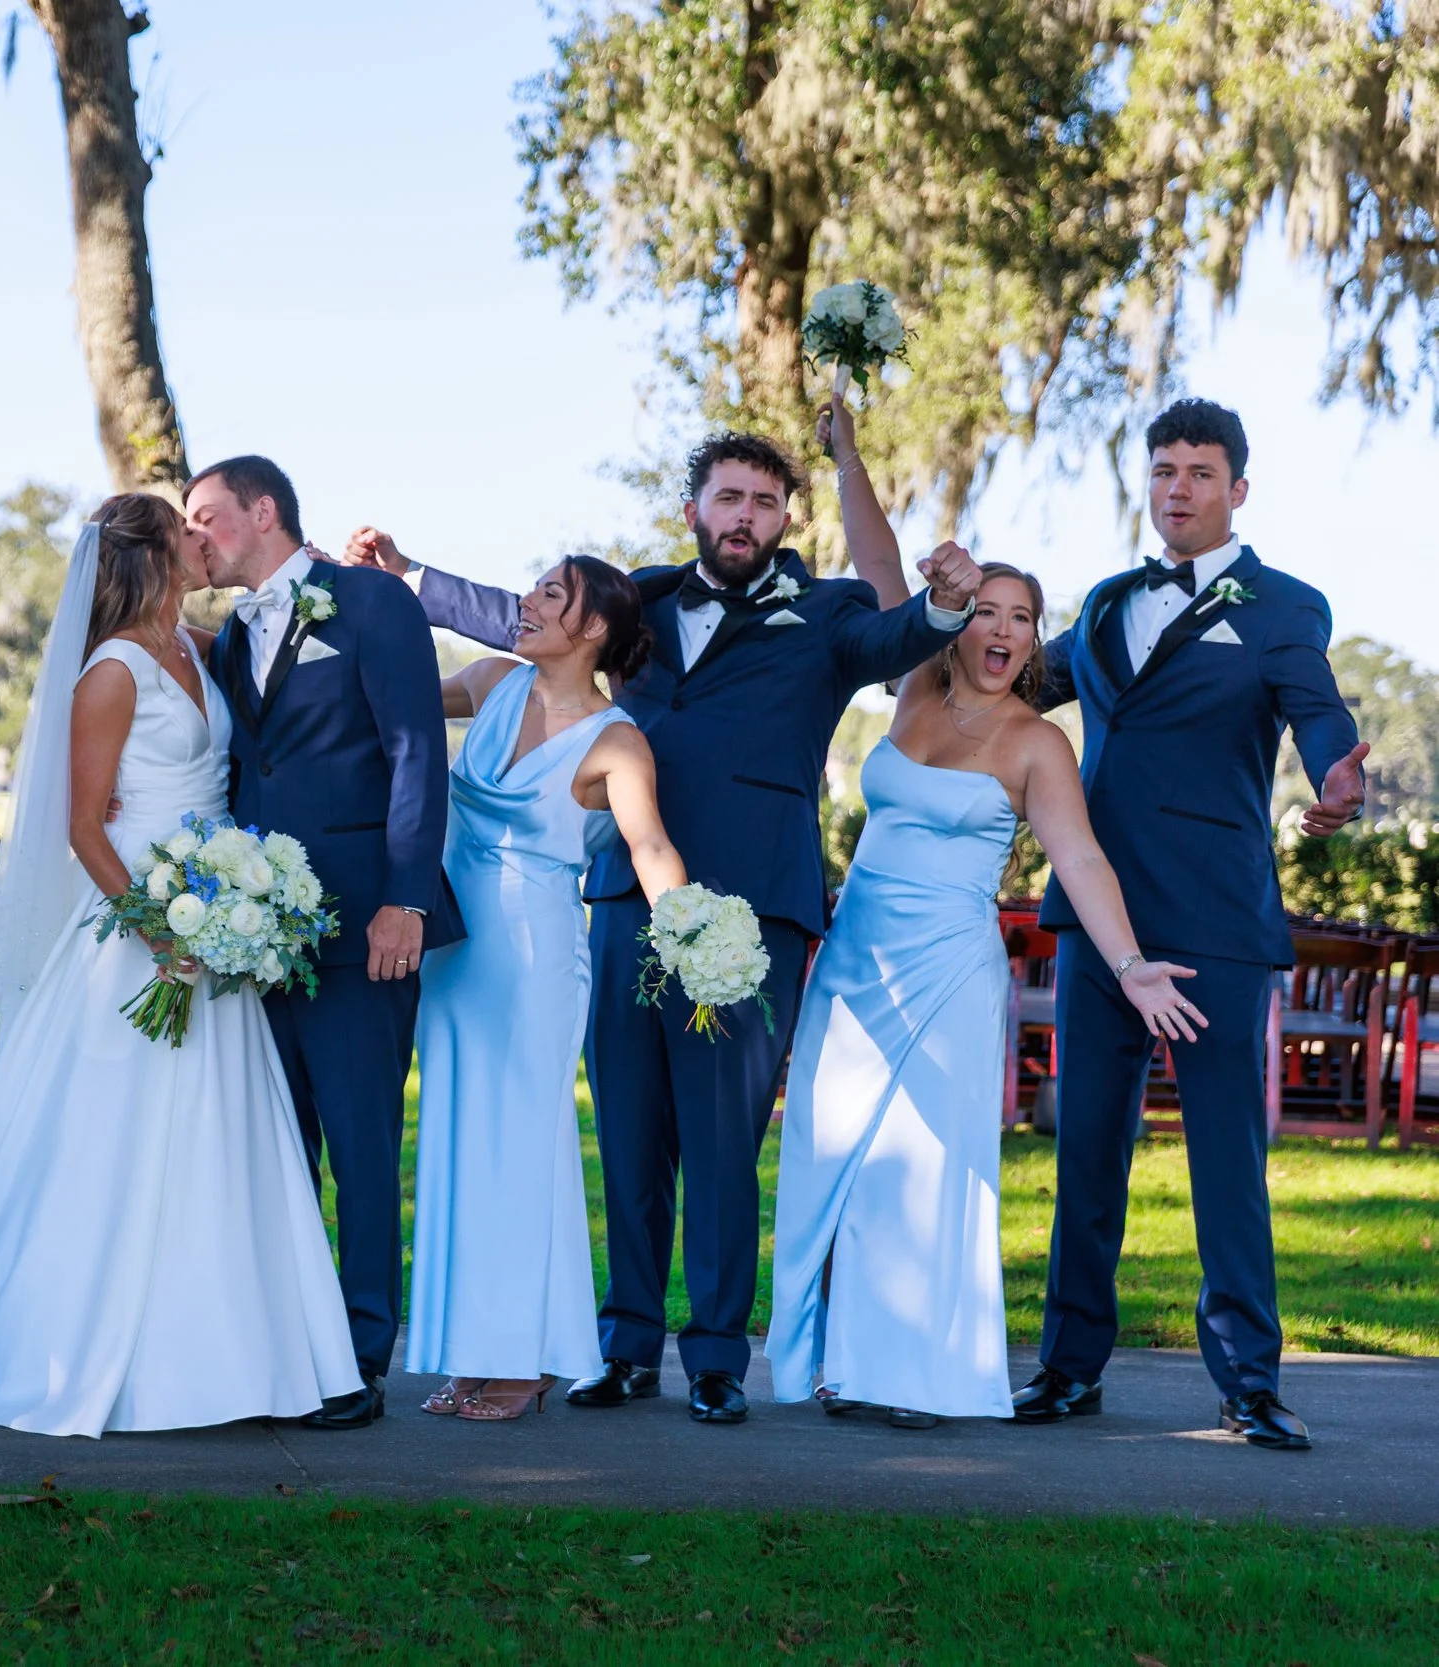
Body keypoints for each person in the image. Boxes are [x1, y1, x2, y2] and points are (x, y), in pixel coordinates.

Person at [345, 431, 977, 1425]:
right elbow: (524, 625)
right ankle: (625, 1342)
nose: (744, 517)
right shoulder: (633, 595)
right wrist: (410, 576)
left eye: (764, 503)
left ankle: (718, 1355)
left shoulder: (826, 613)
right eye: (728, 497)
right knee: (630, 1131)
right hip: (613, 898)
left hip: (747, 912)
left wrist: (947, 600)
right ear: (694, 508)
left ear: (782, 520)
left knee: (720, 1134)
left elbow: (900, 639)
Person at [865, 399, 1359, 1450]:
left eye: (1199, 469)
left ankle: (1248, 1381)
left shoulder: (1281, 604)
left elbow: (1314, 705)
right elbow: (1000, 685)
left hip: (1217, 921)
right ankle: (1069, 1365)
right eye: (1163, 468)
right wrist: (942, 607)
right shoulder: (1098, 604)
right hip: (1097, 924)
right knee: (1086, 1147)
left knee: (1227, 1156)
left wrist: (1336, 771)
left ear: (1238, 487)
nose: (1177, 485)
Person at [767, 553, 1208, 1428]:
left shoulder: (1037, 742)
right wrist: (850, 459)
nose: (1003, 629)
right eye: (988, 611)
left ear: (1035, 640)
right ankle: (847, 1361)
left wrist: (1128, 964)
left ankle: (921, 1374)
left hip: (949, 968)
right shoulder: (911, 696)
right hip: (858, 960)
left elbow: (1078, 856)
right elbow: (882, 565)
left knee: (928, 1165)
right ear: (958, 622)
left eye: (1023, 617)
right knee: (841, 1158)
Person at [0, 495, 361, 1438]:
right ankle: (107, 1351)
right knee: (120, 1134)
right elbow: (81, 820)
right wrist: (153, 925)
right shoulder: (111, 671)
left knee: (226, 1131)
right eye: (186, 531)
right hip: (137, 928)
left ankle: (246, 1352)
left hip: (218, 916)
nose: (202, 539)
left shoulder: (194, 646)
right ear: (146, 555)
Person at [190, 457, 459, 1430]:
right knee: (277, 1143)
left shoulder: (370, 603)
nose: (197, 537)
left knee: (359, 1141)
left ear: (263, 512)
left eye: (208, 518)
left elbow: (414, 749)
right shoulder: (229, 634)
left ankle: (355, 1354)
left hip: (363, 924)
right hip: (259, 931)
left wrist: (405, 899)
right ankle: (285, 1337)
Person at [407, 557, 687, 1422]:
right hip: (455, 951)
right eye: (533, 590)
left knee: (525, 1149)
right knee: (460, 1142)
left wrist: (696, 936)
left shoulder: (616, 741)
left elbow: (648, 850)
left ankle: (527, 1361)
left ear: (594, 626)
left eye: (550, 594)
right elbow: (388, 702)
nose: (526, 602)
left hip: (534, 961)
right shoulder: (493, 681)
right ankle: (474, 1350)